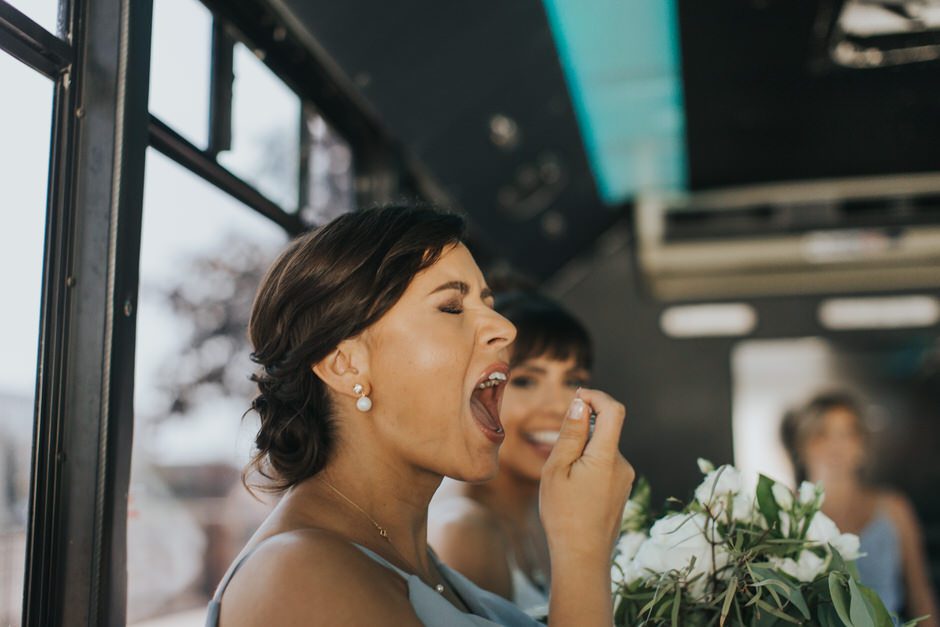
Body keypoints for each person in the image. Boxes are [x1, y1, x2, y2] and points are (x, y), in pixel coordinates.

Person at [206, 205, 634, 626]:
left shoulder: (415, 559)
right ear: (345, 365)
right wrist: (582, 551)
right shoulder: (297, 578)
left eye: (488, 303)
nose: (506, 329)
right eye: (452, 307)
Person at [429, 290, 592, 615]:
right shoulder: (463, 531)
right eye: (526, 382)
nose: (560, 406)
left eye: (572, 380)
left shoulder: (547, 513)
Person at [782, 392, 939, 626]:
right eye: (822, 434)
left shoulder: (894, 509)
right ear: (802, 445)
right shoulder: (785, 512)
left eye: (847, 433)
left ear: (862, 446)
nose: (836, 446)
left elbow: (920, 596)